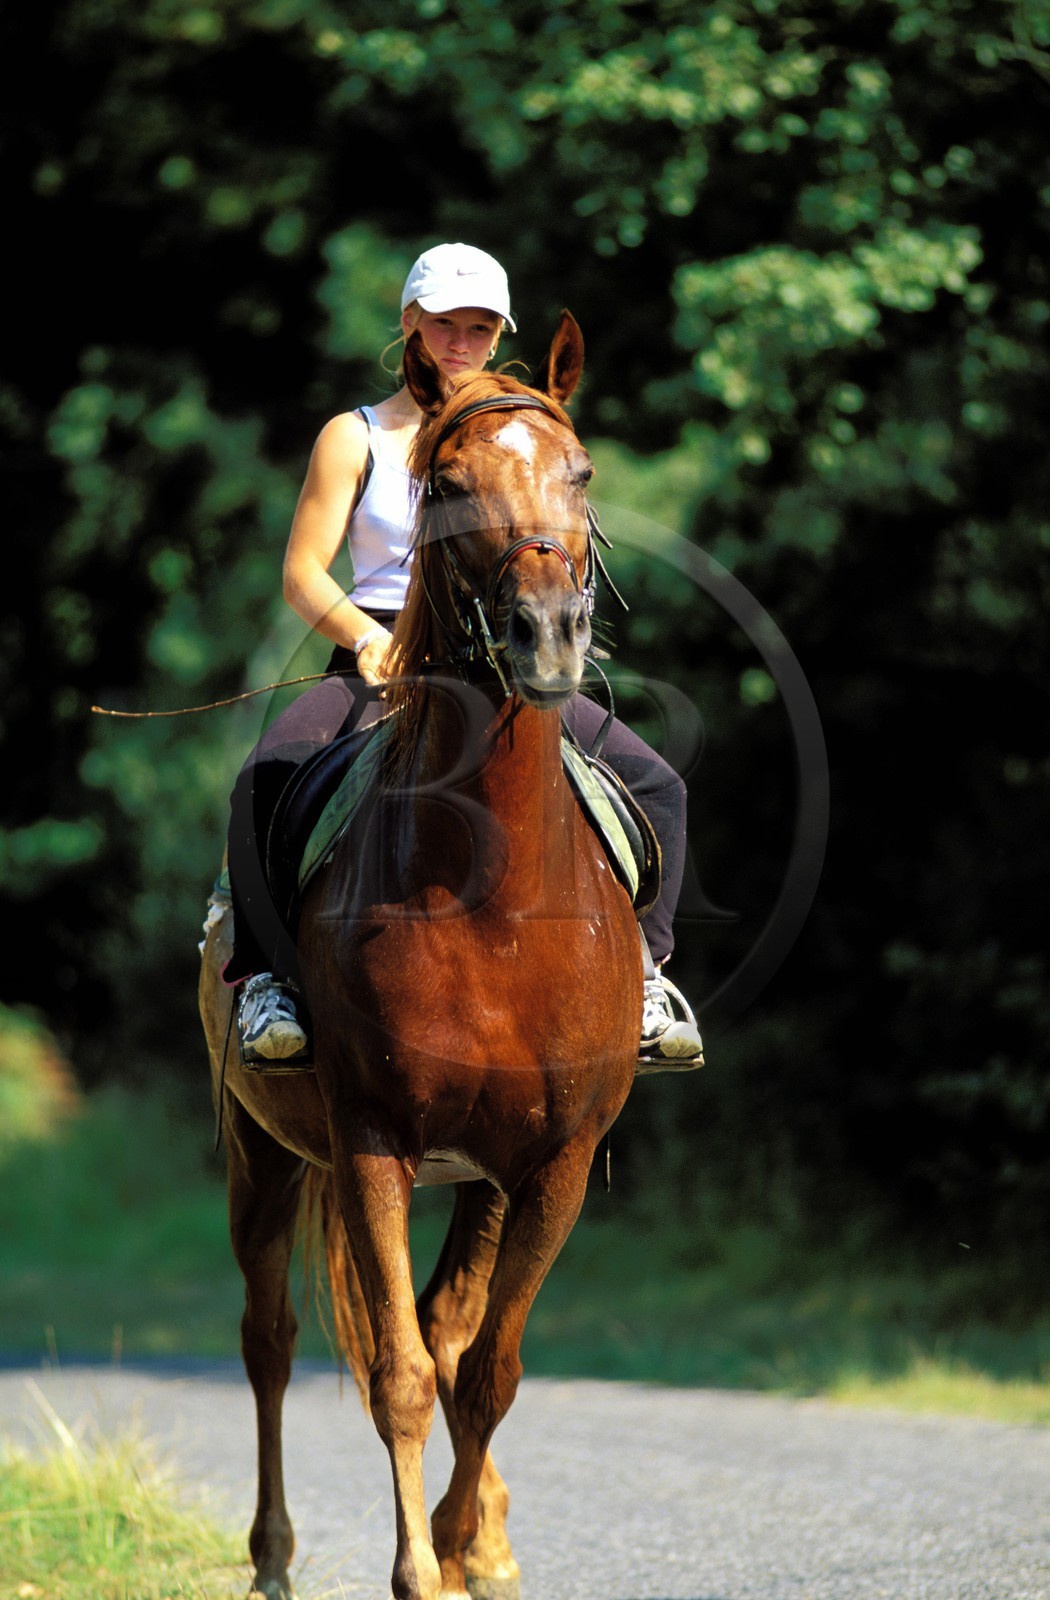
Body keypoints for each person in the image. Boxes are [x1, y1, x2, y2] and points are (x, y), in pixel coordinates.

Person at [224, 242, 703, 1073]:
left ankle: (650, 977)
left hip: (493, 648)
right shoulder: (356, 435)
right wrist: (367, 638)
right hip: (377, 649)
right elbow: (302, 572)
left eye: (481, 327)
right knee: (266, 773)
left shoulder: (514, 433)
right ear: (411, 324)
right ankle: (267, 981)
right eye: (446, 324)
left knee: (659, 782)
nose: (462, 342)